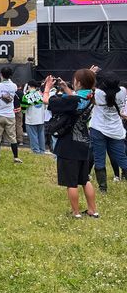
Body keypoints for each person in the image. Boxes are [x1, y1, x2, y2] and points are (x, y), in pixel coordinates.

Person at [43, 70, 98, 218]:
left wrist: (47, 88)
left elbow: (47, 100)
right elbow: (75, 98)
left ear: (78, 82)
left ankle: (75, 213)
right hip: (83, 142)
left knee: (71, 182)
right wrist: (65, 87)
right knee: (84, 179)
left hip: (69, 144)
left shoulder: (72, 100)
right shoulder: (90, 96)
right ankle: (93, 210)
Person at [89, 70, 127, 192]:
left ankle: (103, 188)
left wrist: (91, 74)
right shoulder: (122, 91)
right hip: (116, 130)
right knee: (122, 158)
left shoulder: (98, 93)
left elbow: (86, 89)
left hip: (98, 129)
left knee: (99, 159)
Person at [0, 67, 22, 164]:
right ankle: (16, 157)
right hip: (9, 114)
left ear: (1, 75)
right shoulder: (13, 86)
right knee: (12, 137)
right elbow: (10, 83)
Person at [22, 80, 47, 155]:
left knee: (33, 136)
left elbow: (23, 109)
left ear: (29, 86)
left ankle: (36, 151)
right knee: (41, 135)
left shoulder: (26, 96)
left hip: (31, 119)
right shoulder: (41, 94)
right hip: (41, 119)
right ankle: (42, 150)